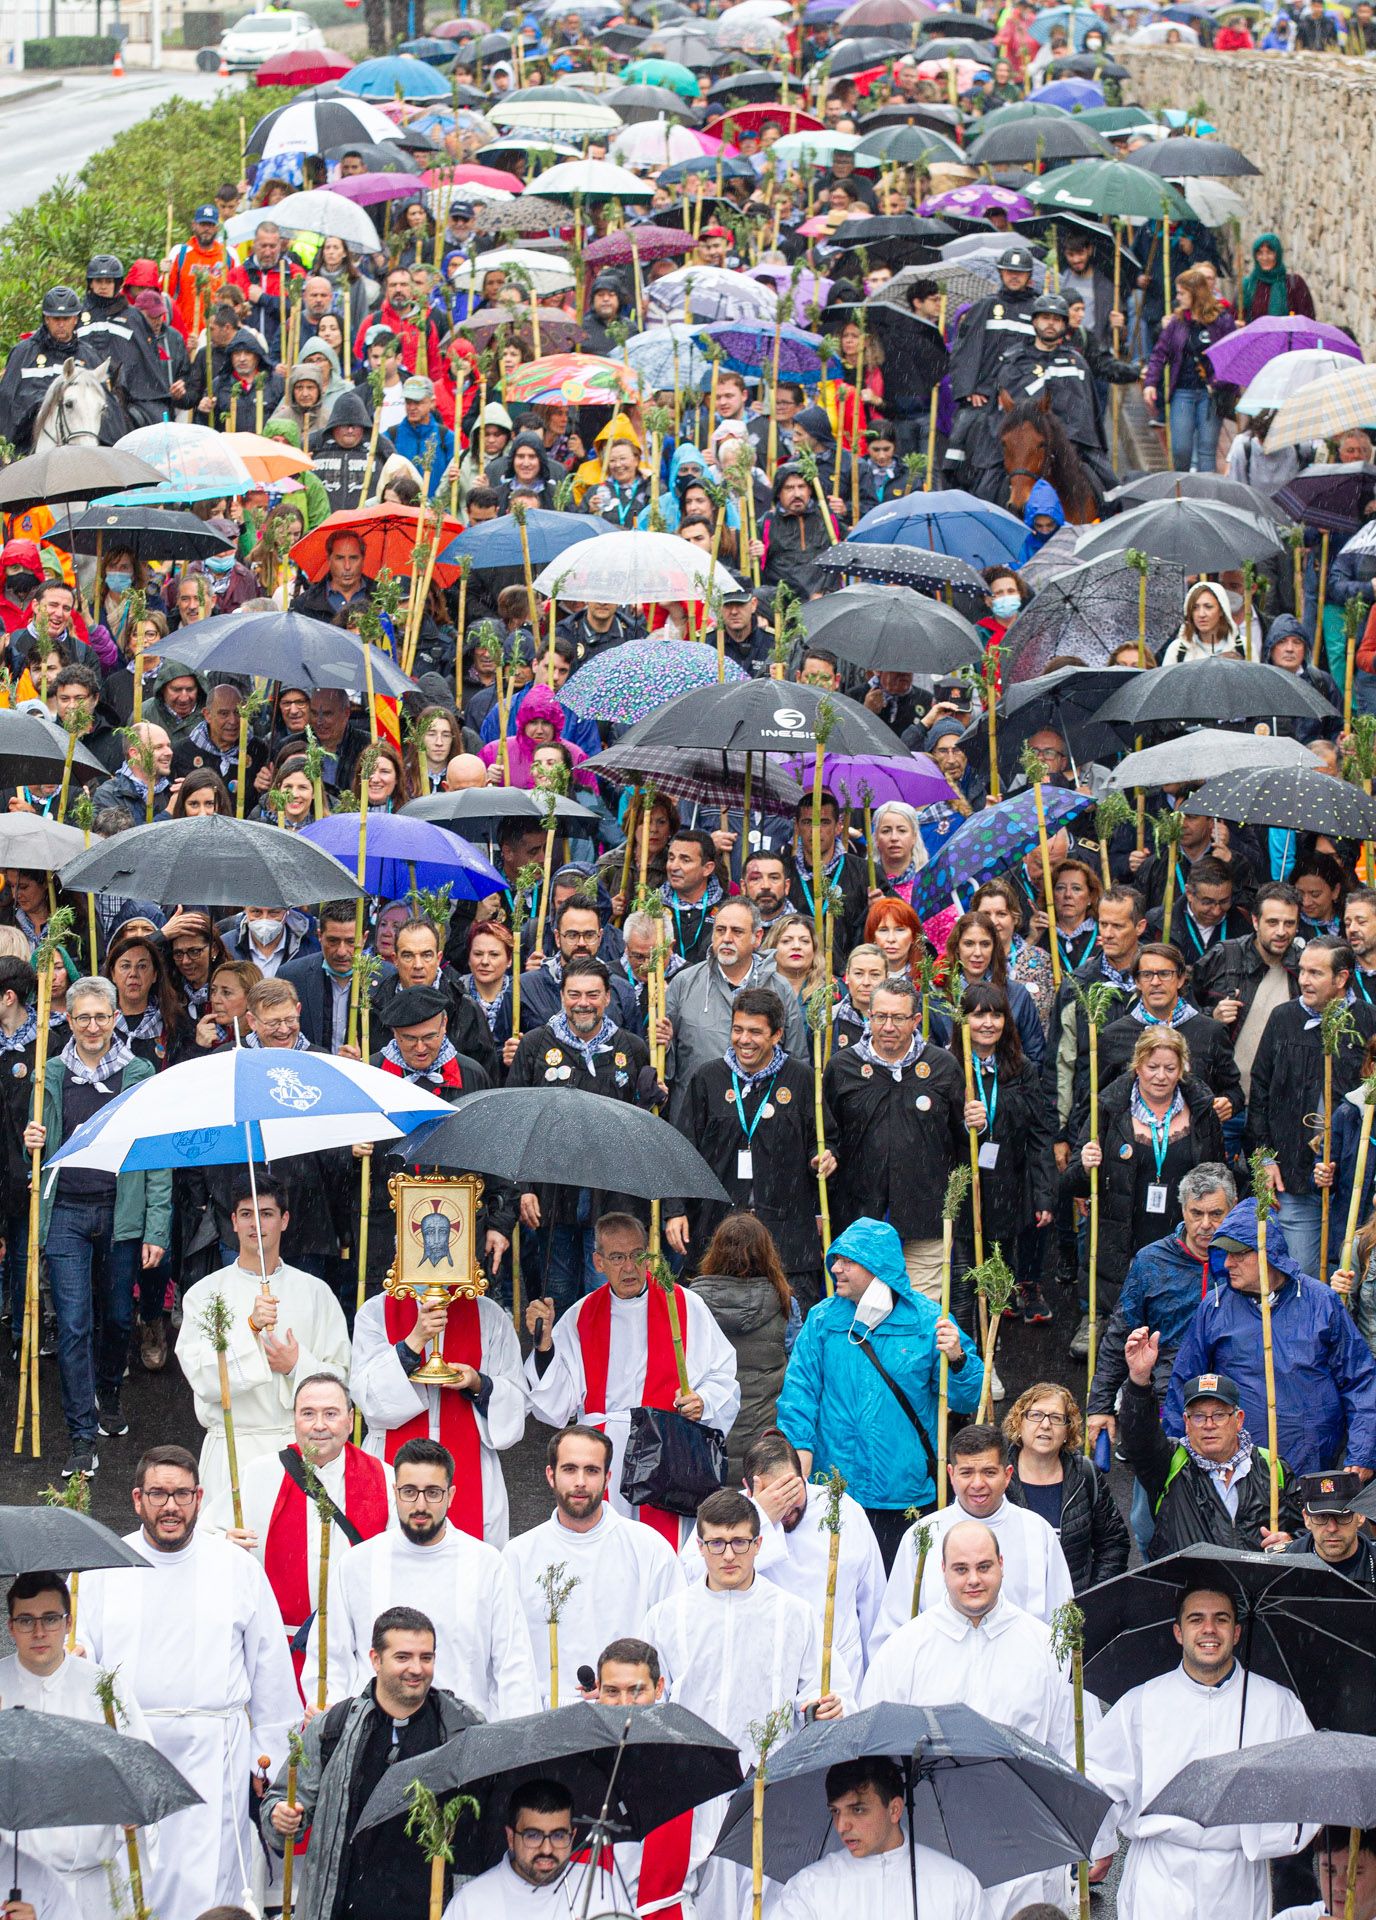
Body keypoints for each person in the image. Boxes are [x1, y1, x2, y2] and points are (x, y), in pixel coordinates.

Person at [79, 1446, 298, 1920]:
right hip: (132, 1752)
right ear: (137, 1499)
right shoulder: (101, 1568)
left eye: (182, 1494)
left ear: (200, 1498)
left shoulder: (236, 1567)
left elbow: (271, 1674)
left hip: (214, 1755)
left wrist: (269, 1762)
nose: (171, 1506)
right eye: (158, 1494)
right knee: (136, 1883)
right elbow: (83, 1668)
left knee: (211, 1887)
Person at [859, 1521, 1077, 1920]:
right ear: (942, 1570)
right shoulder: (905, 1650)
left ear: (1002, 1565)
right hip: (933, 1841)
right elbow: (873, 1753)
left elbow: (1067, 1748)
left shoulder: (1044, 1649)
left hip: (1025, 1838)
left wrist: (1085, 1836)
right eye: (961, 1569)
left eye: (984, 1567)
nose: (973, 1580)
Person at [1087, 1581, 1315, 1920]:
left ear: (1237, 1632)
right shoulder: (1142, 1702)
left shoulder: (1276, 1704)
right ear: (1178, 1632)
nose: (1209, 1629)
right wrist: (1100, 1844)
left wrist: (1264, 1836)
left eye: (1221, 1619)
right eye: (1196, 1619)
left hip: (1236, 1877)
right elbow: (1097, 1777)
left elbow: (1308, 1787)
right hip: (1160, 1874)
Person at [776, 1217, 983, 1571]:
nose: (835, 1268)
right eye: (836, 1260)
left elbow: (966, 1399)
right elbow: (799, 1394)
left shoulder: (928, 1320)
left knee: (903, 1598)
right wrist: (799, 1451)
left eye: (847, 1261)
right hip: (836, 1490)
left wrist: (959, 1359)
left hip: (905, 1494)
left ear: (876, 1266)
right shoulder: (823, 1320)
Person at [524, 1210, 740, 1546]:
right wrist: (544, 1343)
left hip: (666, 1454)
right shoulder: (580, 1316)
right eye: (618, 1257)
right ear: (598, 1262)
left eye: (637, 1255)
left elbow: (723, 1375)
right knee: (606, 1552)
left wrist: (704, 1401)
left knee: (660, 1553)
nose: (629, 1267)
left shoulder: (683, 1305)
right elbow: (555, 1403)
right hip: (603, 1452)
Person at [27, 974, 171, 1477]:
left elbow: (155, 1153)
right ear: (68, 1020)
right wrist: (32, 1143)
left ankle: (109, 1391)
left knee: (115, 1317)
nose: (92, 1026)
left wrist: (156, 1227)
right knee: (72, 1324)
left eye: (100, 1016)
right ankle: (80, 1435)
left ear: (115, 1019)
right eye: (82, 1016)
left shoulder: (138, 1072)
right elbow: (35, 1152)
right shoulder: (48, 1074)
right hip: (65, 1209)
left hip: (119, 1211)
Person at [262, 1606, 482, 1920]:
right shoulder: (334, 1727)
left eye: (426, 1657)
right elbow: (283, 1800)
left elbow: (484, 1819)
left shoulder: (462, 1727)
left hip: (433, 1907)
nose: (416, 1669)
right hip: (345, 1906)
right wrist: (280, 1816)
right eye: (403, 1657)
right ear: (375, 1659)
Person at [313, 1436, 540, 1717]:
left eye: (433, 1492)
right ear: (394, 1492)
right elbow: (330, 1657)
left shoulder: (486, 1564)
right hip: (373, 1734)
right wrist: (335, 1719)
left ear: (451, 1495)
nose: (420, 1505)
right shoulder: (357, 1563)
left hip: (462, 1737)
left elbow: (513, 1665)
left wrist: (513, 1744)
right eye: (409, 1492)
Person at [349, 1202, 525, 1547]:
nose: (433, 1244)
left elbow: (516, 1405)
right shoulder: (375, 1312)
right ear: (401, 1251)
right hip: (392, 1466)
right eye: (424, 1236)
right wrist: (413, 1343)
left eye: (443, 1235)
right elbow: (368, 1401)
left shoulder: (488, 1315)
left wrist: (478, 1383)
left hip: (469, 1466)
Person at [1165, 1196, 1376, 1478]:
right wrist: (1177, 1457)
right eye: (1224, 1254)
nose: (1227, 1263)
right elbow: (1185, 1383)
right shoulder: (1214, 1306)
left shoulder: (1321, 1301)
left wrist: (1362, 1452)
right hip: (1236, 1473)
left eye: (1238, 1254)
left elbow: (1359, 1379)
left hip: (1313, 1466)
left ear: (1268, 1254)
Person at [176, 1174, 350, 1508]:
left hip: (296, 1448)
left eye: (267, 1214)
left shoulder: (316, 1293)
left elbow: (341, 1378)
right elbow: (204, 1380)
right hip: (232, 1449)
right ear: (233, 1222)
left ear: (284, 1220)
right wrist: (250, 1328)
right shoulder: (204, 1295)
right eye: (246, 1214)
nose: (256, 1224)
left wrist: (296, 1367)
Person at [203, 1371, 391, 1677]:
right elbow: (206, 1536)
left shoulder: (384, 1478)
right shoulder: (259, 1475)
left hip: (360, 1650)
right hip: (280, 1648)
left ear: (350, 1418)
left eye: (331, 1413)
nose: (319, 1425)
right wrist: (225, 1545)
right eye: (308, 1414)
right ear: (294, 1419)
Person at [643, 1489, 846, 1770]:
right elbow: (649, 1699)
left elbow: (826, 1692)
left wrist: (825, 1706)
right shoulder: (665, 1617)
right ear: (700, 1546)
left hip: (768, 1777)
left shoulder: (794, 1614)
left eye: (739, 1542)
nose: (728, 1555)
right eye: (716, 1543)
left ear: (758, 1543)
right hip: (689, 1776)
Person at [0, 1571, 157, 1920]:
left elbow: (143, 1771)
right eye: (26, 1620)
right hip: (16, 1885)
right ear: (10, 1627)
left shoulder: (104, 1688)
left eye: (51, 1619)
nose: (39, 1632)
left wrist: (133, 1803)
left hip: (94, 1884)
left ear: (69, 1622)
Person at [505, 958, 656, 1308]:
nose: (583, 1002)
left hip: (611, 1195)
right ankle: (557, 1361)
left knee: (604, 1293)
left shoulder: (630, 1047)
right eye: (574, 994)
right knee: (556, 1295)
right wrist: (524, 1189)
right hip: (552, 1193)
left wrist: (651, 1095)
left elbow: (640, 1125)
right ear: (562, 996)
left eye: (592, 994)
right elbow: (518, 1120)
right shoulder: (535, 1045)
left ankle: (603, 1362)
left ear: (607, 997)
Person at [501, 1425, 683, 1707]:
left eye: (592, 1470)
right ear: (551, 1475)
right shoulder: (518, 1555)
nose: (580, 1482)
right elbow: (508, 1652)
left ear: (607, 1478)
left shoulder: (648, 1548)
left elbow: (673, 1640)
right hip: (545, 1715)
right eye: (570, 1469)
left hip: (628, 1713)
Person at [665, 986, 821, 1304]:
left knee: (787, 1326)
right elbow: (681, 1148)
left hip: (786, 1235)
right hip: (716, 1229)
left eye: (755, 1031)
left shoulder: (801, 1078)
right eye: (737, 1030)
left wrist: (824, 1157)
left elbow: (823, 1140)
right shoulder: (708, 1078)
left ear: (777, 1034)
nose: (744, 1040)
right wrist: (675, 1209)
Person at [822, 977, 969, 1303]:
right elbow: (828, 1135)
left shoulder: (943, 1067)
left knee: (921, 1316)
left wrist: (978, 1129)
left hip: (925, 1216)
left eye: (898, 1018)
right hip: (860, 1218)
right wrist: (827, 1154)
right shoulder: (842, 1067)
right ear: (869, 1016)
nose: (888, 1026)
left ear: (916, 1020)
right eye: (881, 1017)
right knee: (861, 1314)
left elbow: (962, 1141)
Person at [1071, 1027, 1226, 1331]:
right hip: (1122, 1240)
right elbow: (1071, 1183)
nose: (1160, 1076)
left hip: (1180, 1238)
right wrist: (1085, 1166)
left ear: (1182, 1069)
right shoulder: (1109, 1108)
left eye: (1170, 1068)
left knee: (1174, 1332)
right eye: (1152, 1067)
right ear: (1137, 1066)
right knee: (1125, 1333)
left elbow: (1218, 1174)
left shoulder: (1202, 1112)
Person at [871, 1423, 1076, 1651]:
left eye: (989, 1472)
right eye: (966, 1473)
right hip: (940, 1674)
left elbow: (1061, 1623)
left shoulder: (1037, 1532)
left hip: (1019, 1673)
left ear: (1007, 1475)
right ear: (951, 1474)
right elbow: (894, 1627)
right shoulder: (923, 1535)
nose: (978, 1484)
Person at [1247, 936, 1376, 1272]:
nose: (1304, 980)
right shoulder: (1283, 1018)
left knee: (1347, 1277)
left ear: (1342, 978)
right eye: (1302, 970)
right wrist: (1264, 1159)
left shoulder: (1368, 1021)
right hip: (1293, 1176)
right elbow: (1259, 1091)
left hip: (1353, 1185)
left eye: (1315, 973)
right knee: (1300, 1274)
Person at [776, 1757, 986, 1919]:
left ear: (894, 1809)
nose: (842, 1826)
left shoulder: (956, 1884)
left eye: (857, 1810)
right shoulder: (809, 1888)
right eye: (835, 1811)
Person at [1005, 1383, 1131, 1592]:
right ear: (1018, 1424)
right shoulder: (997, 1475)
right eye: (1036, 1415)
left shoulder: (1085, 1474)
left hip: (1073, 1613)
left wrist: (1091, 1600)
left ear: (1067, 1430)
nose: (1045, 1425)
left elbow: (1113, 1543)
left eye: (1056, 1418)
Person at [1142, 268, 1237, 478]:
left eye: (1181, 293)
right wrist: (1150, 382)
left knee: (1206, 451)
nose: (1177, 298)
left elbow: (1231, 356)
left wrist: (1218, 380)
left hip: (1211, 393)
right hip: (1183, 390)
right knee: (1181, 449)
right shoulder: (1177, 323)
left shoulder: (1221, 321)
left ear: (1196, 293)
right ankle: (1182, 489)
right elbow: (1160, 353)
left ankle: (1205, 497)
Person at [441, 1781, 581, 1918]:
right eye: (533, 1835)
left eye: (558, 1836)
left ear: (572, 1836)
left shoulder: (598, 1888)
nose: (546, 1849)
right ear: (510, 1838)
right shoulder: (471, 1902)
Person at [1284, 1469, 1376, 1582]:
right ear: (1306, 1519)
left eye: (1342, 1517)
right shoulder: (1281, 1565)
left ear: (1360, 1516)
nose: (1332, 1528)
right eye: (1321, 1517)